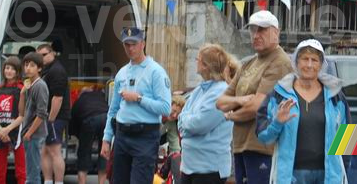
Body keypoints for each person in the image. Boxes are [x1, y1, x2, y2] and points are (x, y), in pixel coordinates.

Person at [256, 39, 350, 184]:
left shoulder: (336, 96)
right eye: (305, 59)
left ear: (321, 65)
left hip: (329, 177)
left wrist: (342, 173)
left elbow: (347, 140)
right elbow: (263, 137)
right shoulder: (279, 94)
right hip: (290, 176)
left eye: (314, 60)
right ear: (296, 62)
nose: (309, 64)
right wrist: (277, 123)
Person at [216, 10, 293, 184]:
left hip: (263, 148)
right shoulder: (249, 63)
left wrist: (231, 115)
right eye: (253, 30)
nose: (256, 35)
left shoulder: (279, 62)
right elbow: (220, 102)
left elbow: (258, 106)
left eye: (262, 30)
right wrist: (240, 100)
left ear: (276, 32)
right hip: (241, 145)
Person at [101, 27, 172, 184]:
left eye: (134, 44)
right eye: (127, 45)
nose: (130, 48)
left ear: (143, 44)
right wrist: (107, 138)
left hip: (145, 137)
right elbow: (113, 110)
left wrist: (139, 99)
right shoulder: (122, 73)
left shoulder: (156, 72)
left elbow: (166, 108)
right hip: (122, 135)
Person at [177, 44, 235, 184]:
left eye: (198, 59)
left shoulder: (221, 92)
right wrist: (186, 122)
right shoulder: (200, 89)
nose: (196, 61)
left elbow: (199, 124)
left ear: (205, 65)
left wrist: (185, 123)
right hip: (190, 166)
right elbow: (181, 115)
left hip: (209, 169)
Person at [37, 44, 70, 184]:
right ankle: (48, 181)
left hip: (55, 117)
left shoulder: (56, 71)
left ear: (53, 53)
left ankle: (58, 182)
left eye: (44, 55)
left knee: (55, 151)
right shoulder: (47, 70)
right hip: (48, 117)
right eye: (39, 55)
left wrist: (50, 119)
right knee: (45, 151)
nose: (41, 58)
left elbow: (58, 98)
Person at [0, 56, 25, 184]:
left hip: (17, 132)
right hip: (0, 132)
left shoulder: (22, 89)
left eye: (12, 69)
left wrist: (8, 129)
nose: (9, 71)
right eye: (7, 68)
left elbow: (23, 114)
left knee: (21, 172)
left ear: (17, 71)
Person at [70, 85, 109, 184]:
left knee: (84, 154)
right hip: (106, 119)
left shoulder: (79, 100)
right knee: (104, 153)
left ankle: (82, 182)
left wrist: (80, 137)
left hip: (89, 120)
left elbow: (73, 122)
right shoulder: (101, 97)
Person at [21, 51, 49, 184]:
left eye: (32, 65)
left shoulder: (40, 86)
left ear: (39, 68)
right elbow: (22, 112)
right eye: (26, 65)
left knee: (33, 175)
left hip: (34, 134)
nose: (28, 68)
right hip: (28, 133)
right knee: (30, 172)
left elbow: (42, 113)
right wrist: (22, 93)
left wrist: (29, 133)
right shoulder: (29, 85)